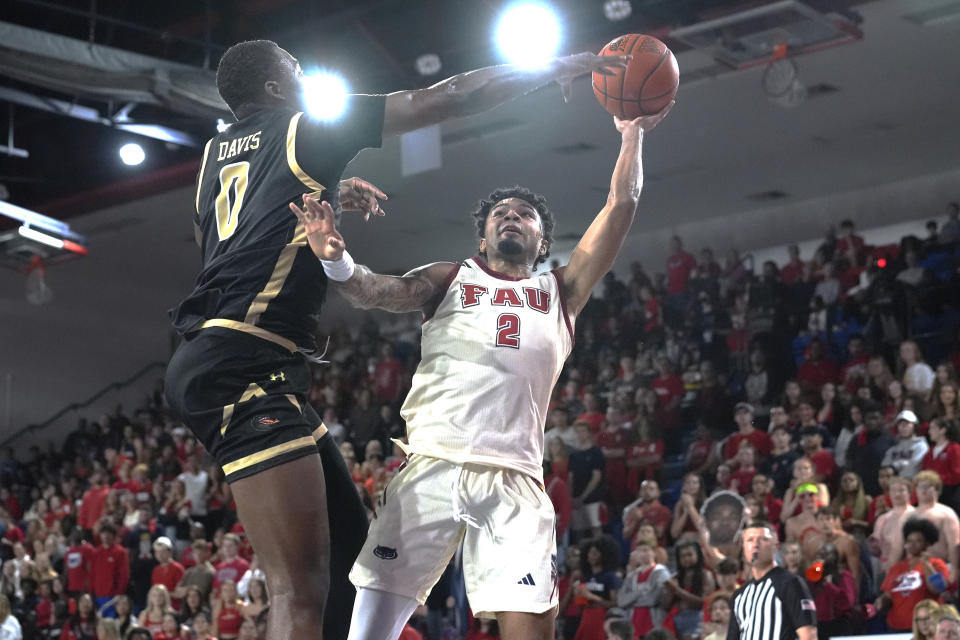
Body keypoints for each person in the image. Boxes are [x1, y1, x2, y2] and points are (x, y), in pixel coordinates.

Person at [164, 38, 629, 640]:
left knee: (348, 558)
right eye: (298, 69)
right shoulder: (304, 128)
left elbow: (238, 229)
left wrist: (326, 189)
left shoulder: (211, 156)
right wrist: (549, 69)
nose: (308, 75)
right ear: (278, 90)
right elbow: (448, 97)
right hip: (242, 359)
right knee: (299, 590)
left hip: (244, 358)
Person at [288, 98, 671, 640]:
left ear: (542, 241)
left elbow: (622, 203)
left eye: (525, 215)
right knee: (366, 633)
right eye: (500, 214)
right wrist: (335, 260)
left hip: (514, 477)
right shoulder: (451, 277)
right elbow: (377, 292)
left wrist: (632, 131)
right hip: (432, 467)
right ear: (482, 237)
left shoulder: (561, 290)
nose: (511, 218)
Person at [727, 522, 817, 640]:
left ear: (776, 546)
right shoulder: (740, 595)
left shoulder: (791, 583)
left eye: (763, 539)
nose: (755, 545)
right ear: (744, 548)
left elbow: (808, 636)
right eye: (750, 540)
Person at [875, 518, 949, 633]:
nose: (912, 545)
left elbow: (937, 589)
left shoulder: (936, 564)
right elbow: (889, 595)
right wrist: (881, 602)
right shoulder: (897, 568)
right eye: (909, 541)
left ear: (927, 543)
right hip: (896, 627)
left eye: (918, 541)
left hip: (926, 627)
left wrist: (926, 564)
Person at [616, 542, 669, 638]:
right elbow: (621, 601)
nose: (642, 553)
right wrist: (641, 593)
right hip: (634, 625)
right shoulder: (631, 576)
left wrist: (631, 600)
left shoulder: (661, 572)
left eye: (645, 550)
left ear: (654, 552)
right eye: (639, 551)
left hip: (654, 624)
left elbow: (653, 599)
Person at [882, 410, 929, 479]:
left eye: (906, 424)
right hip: (892, 485)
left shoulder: (921, 446)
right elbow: (885, 467)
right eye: (900, 424)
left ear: (915, 426)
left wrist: (896, 466)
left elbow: (912, 468)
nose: (903, 427)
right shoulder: (893, 446)